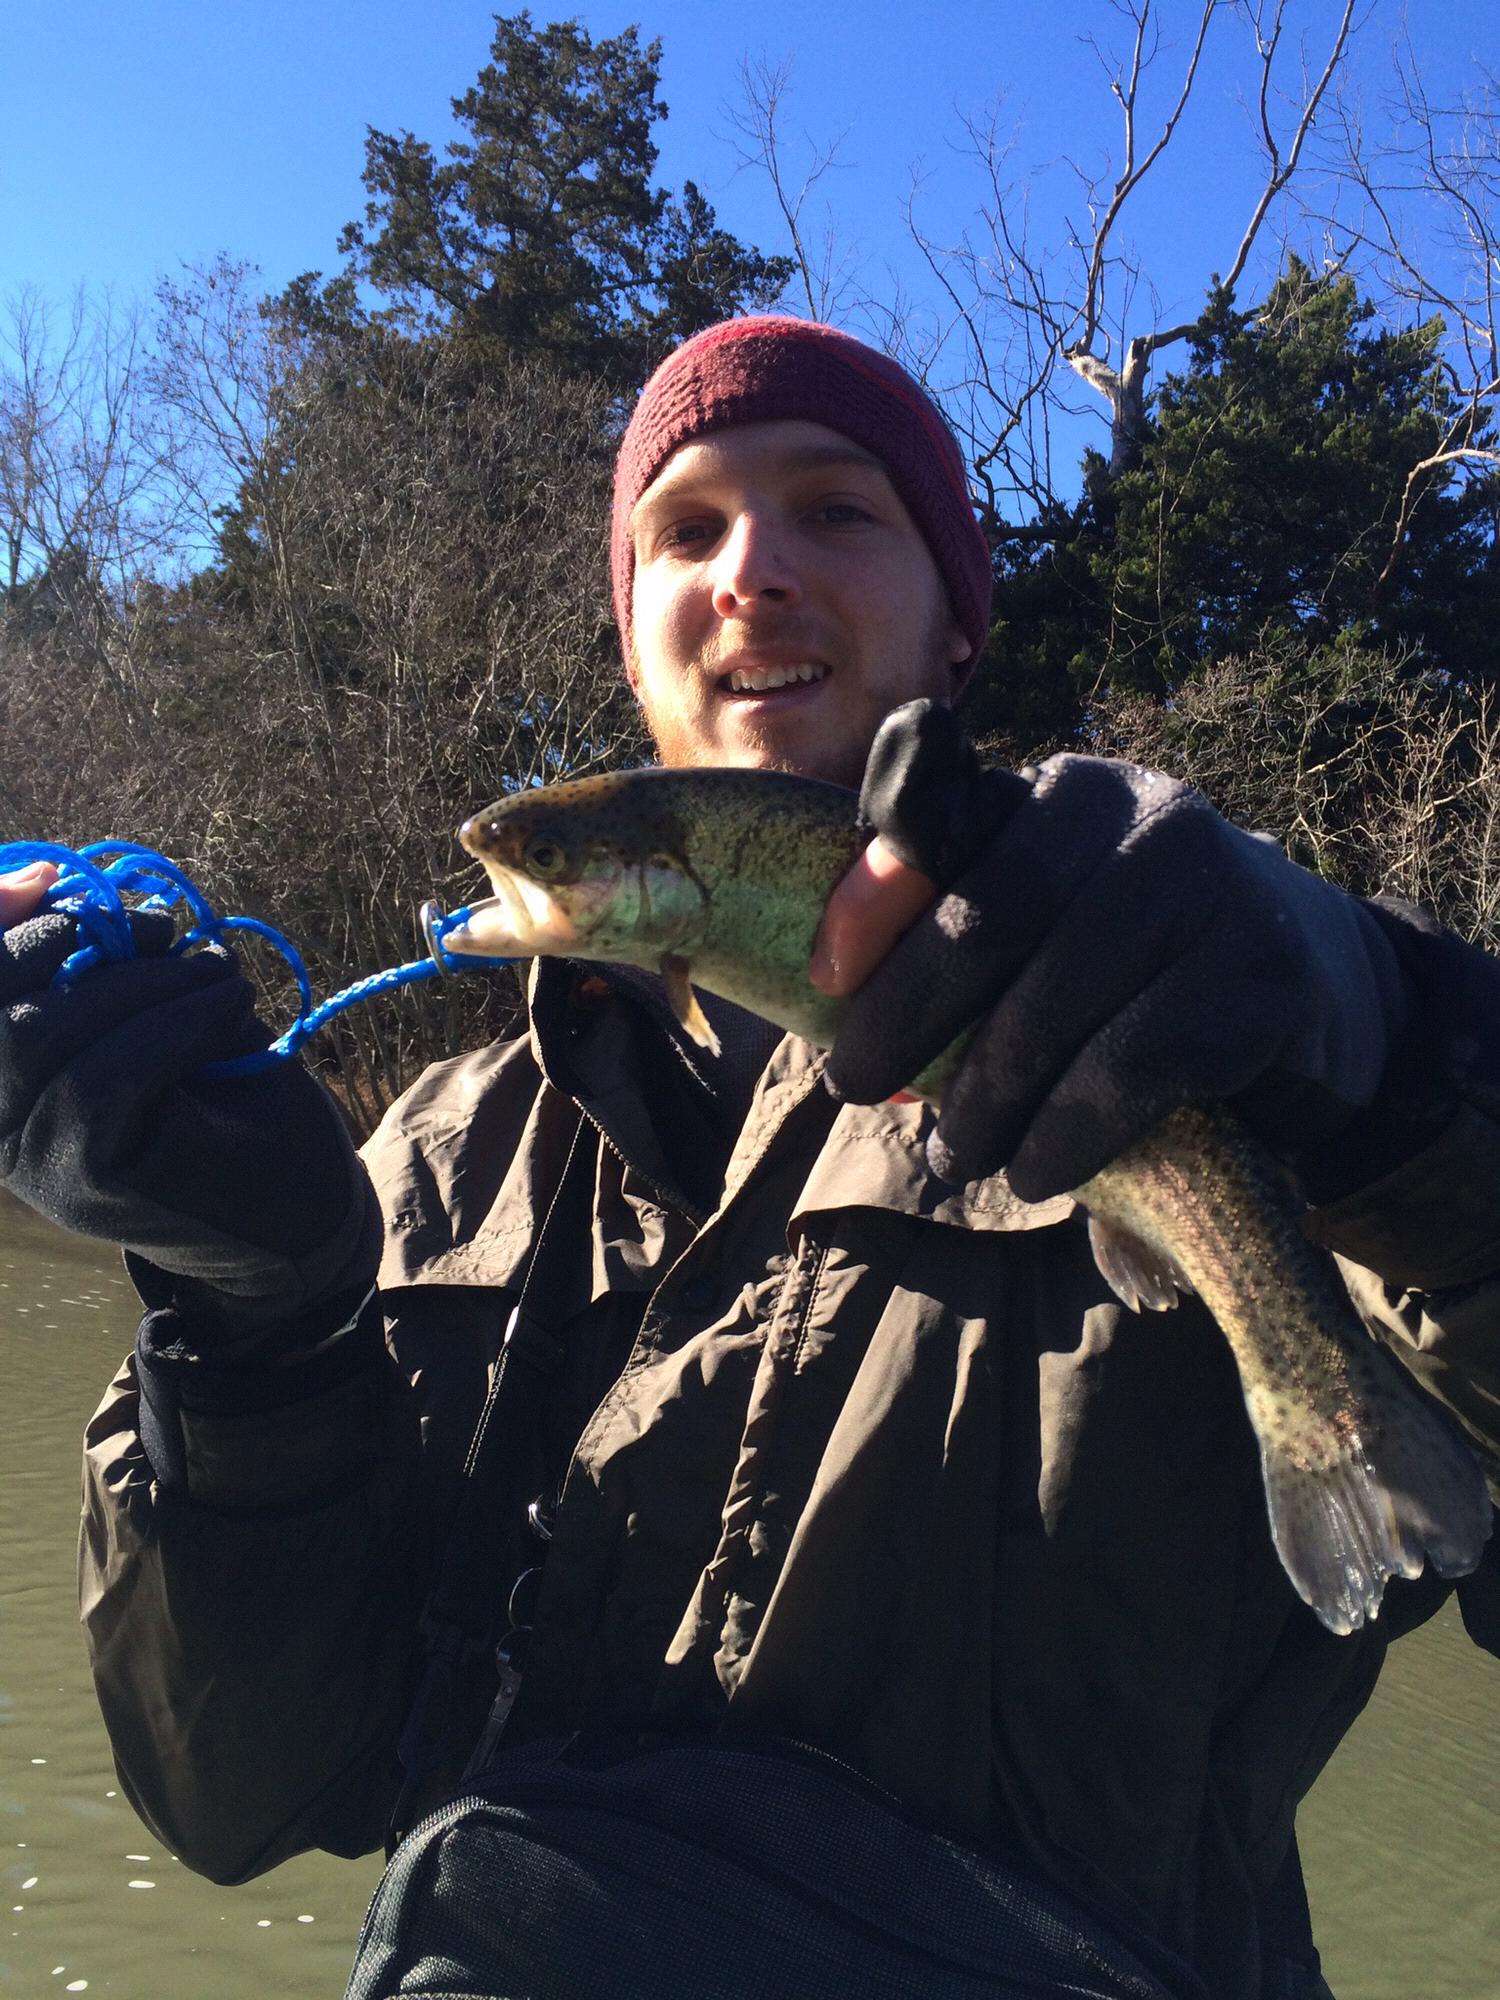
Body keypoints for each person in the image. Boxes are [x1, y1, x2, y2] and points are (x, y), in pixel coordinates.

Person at [2, 316, 1498, 2000]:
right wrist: (249, 1330)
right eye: (686, 530)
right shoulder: (430, 1160)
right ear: (634, 644)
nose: (754, 570)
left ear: (957, 626)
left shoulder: (1220, 1001)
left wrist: (1418, 1064)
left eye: (839, 513)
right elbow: (243, 1791)